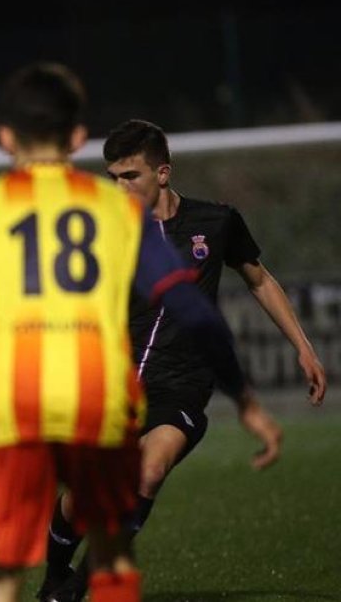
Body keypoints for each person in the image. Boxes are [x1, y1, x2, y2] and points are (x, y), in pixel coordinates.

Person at [0, 62, 252, 602]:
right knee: (111, 553)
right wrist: (246, 399)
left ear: (3, 138)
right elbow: (196, 312)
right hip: (99, 402)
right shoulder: (116, 211)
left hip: (9, 406)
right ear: (77, 137)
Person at [36, 119, 329, 601]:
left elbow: (259, 279)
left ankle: (77, 588)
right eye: (112, 176)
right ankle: (55, 572)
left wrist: (303, 345)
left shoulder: (215, 222)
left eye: (130, 175)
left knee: (149, 471)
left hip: (184, 384)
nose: (119, 186)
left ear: (163, 172)